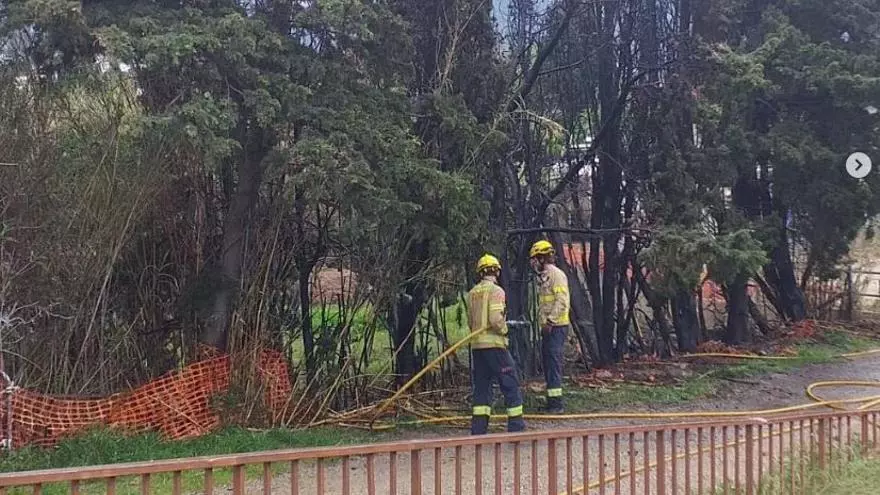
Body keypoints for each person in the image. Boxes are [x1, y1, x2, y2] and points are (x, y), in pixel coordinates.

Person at [467, 253, 526, 435]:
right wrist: (504, 329)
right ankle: (516, 425)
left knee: (482, 386)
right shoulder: (497, 291)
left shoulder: (472, 293)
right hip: (494, 345)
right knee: (509, 381)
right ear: (497, 271)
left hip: (477, 346)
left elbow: (471, 322)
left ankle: (479, 428)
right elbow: (495, 319)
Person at [529, 240, 570, 414]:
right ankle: (552, 401)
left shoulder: (556, 275)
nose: (533, 263)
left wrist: (550, 321)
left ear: (542, 258)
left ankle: (556, 404)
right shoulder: (544, 276)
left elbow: (562, 301)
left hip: (556, 327)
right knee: (548, 364)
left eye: (535, 259)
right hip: (549, 327)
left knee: (553, 364)